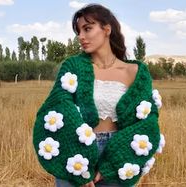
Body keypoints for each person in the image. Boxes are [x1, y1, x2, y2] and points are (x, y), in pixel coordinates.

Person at [33, 3, 165, 187]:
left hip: (119, 152)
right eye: (79, 31)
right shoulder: (73, 67)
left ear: (107, 29)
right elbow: (59, 107)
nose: (81, 37)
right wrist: (81, 167)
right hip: (74, 152)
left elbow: (146, 123)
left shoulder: (135, 72)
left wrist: (112, 163)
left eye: (87, 29)